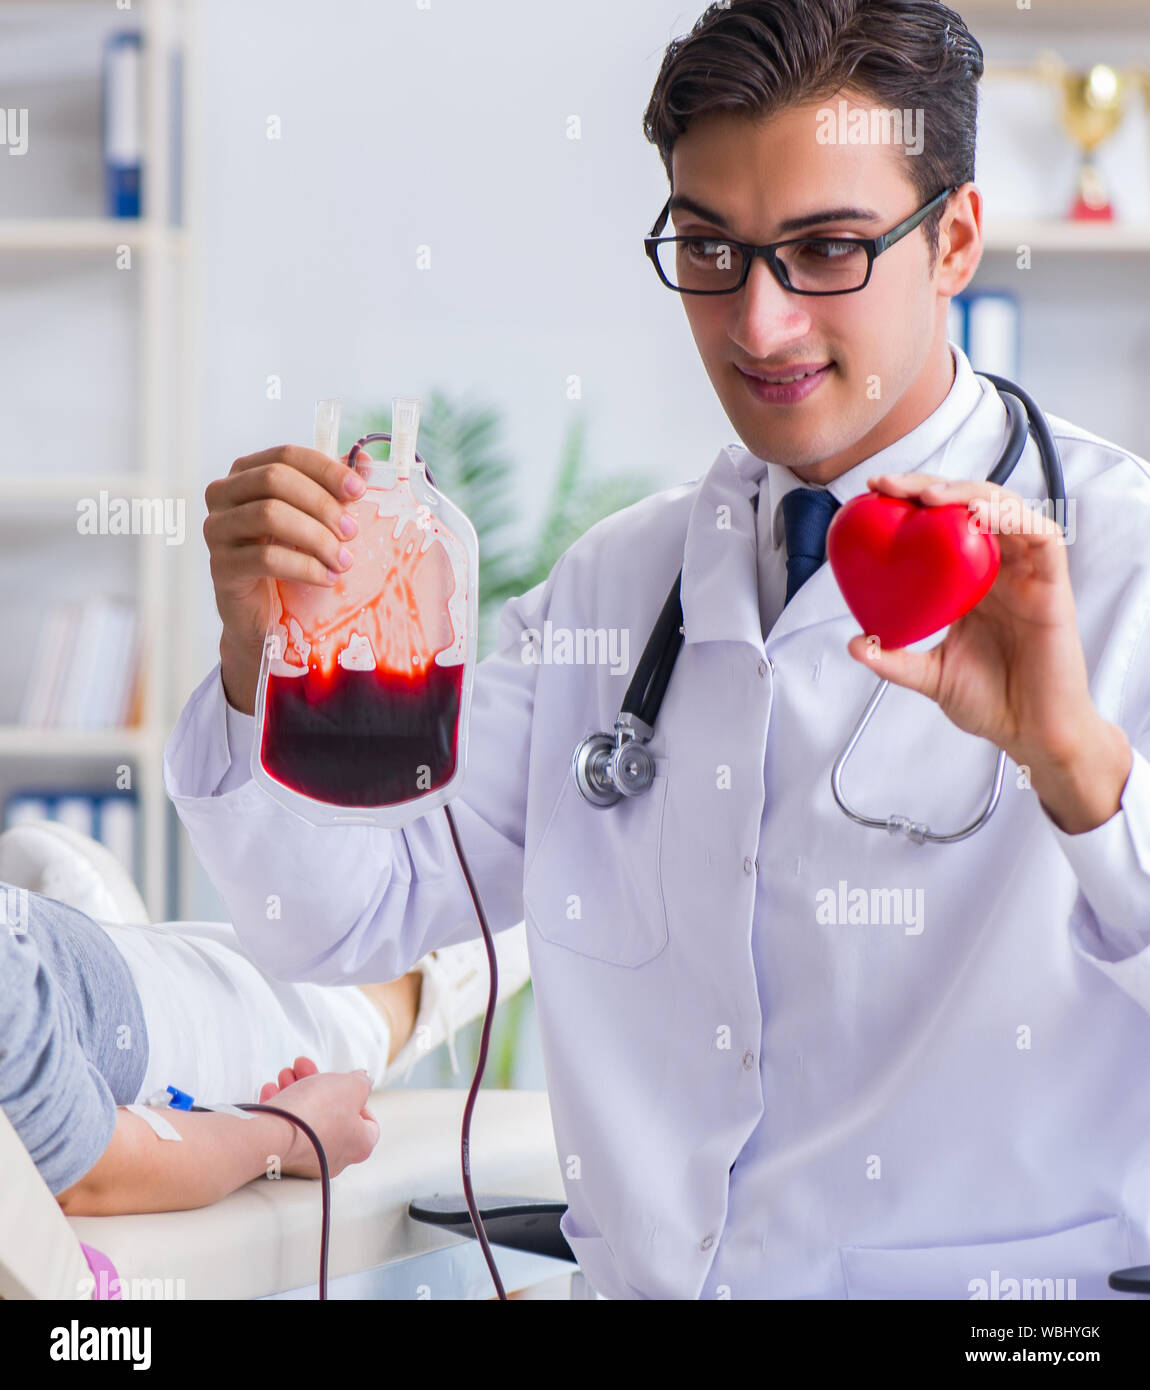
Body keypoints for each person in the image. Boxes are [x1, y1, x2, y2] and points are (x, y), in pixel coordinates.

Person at [164, 0, 1150, 1299]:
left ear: (953, 237)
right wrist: (259, 658)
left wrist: (1087, 784)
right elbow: (333, 914)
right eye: (709, 248)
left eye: (825, 250)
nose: (760, 323)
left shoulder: (1120, 562)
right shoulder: (619, 587)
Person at [1, 847, 530, 1216]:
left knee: (37, 851)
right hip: (155, 1023)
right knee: (356, 1015)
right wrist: (294, 1135)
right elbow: (88, 1171)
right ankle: (441, 974)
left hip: (74, 960)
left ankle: (76, 977)